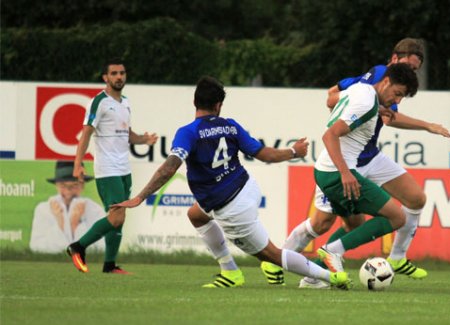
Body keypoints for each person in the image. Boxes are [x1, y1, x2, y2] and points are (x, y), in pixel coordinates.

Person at [111, 76, 352, 289]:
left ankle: (333, 277)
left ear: (195, 102)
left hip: (231, 208)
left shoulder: (188, 132)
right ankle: (230, 272)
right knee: (196, 214)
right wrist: (293, 151)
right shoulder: (230, 125)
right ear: (218, 105)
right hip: (247, 188)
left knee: (272, 255)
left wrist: (140, 197)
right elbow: (264, 155)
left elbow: (170, 167)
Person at [261, 38, 450, 288]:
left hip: (368, 156)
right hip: (345, 163)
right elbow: (331, 101)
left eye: (415, 70)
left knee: (413, 200)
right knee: (323, 223)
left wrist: (378, 110)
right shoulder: (377, 79)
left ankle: (394, 258)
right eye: (408, 67)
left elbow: (383, 114)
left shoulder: (377, 88)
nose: (410, 74)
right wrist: (421, 124)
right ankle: (279, 260)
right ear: (394, 60)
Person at [66, 58, 158, 274]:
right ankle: (77, 247)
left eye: (122, 73)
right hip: (107, 169)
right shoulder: (98, 102)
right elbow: (86, 134)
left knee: (119, 218)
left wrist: (143, 140)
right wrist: (77, 164)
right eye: (114, 73)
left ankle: (109, 265)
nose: (119, 77)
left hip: (124, 168)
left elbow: (127, 134)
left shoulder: (125, 102)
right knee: (116, 216)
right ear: (105, 78)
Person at [30, 161, 105, 253]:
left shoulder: (96, 210)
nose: (68, 191)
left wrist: (76, 225)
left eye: (74, 185)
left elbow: (101, 249)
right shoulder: (43, 209)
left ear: (82, 185)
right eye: (63, 185)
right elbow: (36, 247)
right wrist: (60, 224)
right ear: (56, 185)